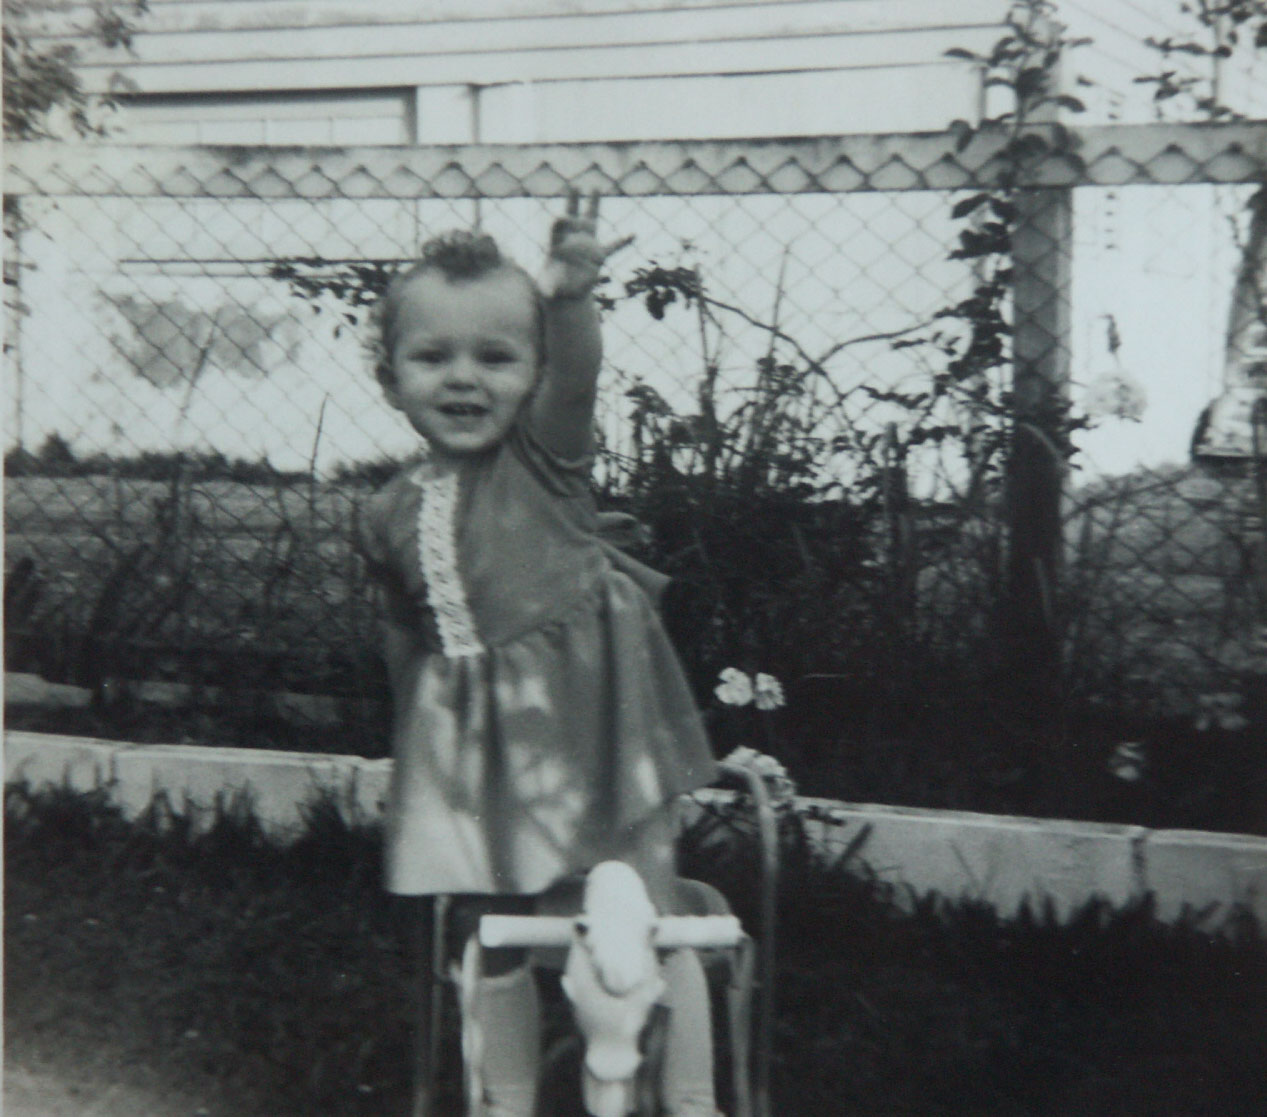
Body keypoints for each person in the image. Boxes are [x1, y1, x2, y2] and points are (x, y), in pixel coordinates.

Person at [357, 191, 721, 1116]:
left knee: (644, 908)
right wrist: (413, 743)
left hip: (598, 720)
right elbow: (402, 630)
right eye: (432, 357)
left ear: (533, 373)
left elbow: (578, 381)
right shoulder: (386, 509)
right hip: (477, 748)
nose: (463, 379)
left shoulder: (542, 462)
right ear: (391, 379)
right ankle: (505, 1095)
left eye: (496, 357)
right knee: (492, 920)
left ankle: (689, 1095)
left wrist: (569, 299)